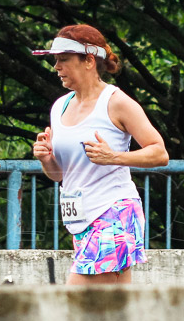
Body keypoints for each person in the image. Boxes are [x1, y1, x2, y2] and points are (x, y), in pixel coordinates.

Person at [31, 24, 169, 285]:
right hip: (81, 220)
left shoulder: (116, 102)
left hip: (113, 212)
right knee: (110, 313)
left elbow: (159, 153)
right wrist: (46, 158)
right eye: (55, 61)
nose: (56, 67)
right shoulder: (60, 106)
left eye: (63, 60)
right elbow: (59, 175)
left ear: (89, 61)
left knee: (73, 304)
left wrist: (114, 157)